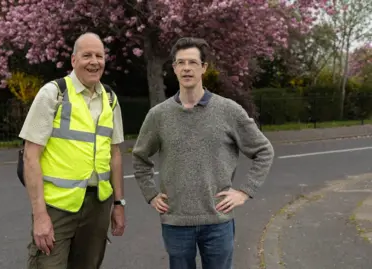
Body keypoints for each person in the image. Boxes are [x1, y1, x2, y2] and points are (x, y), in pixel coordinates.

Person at [132, 37, 275, 269]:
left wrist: (245, 192)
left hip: (218, 221)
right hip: (176, 221)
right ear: (174, 68)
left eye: (193, 62)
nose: (187, 68)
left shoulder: (228, 110)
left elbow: (264, 151)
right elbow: (139, 158)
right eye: (181, 63)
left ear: (204, 68)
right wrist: (151, 194)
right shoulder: (159, 115)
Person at [19, 32, 126, 269]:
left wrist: (119, 204)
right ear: (73, 60)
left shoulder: (110, 99)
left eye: (99, 55)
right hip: (57, 208)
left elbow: (115, 154)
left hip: (98, 206)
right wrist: (40, 215)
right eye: (87, 55)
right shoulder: (54, 93)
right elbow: (31, 155)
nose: (94, 61)